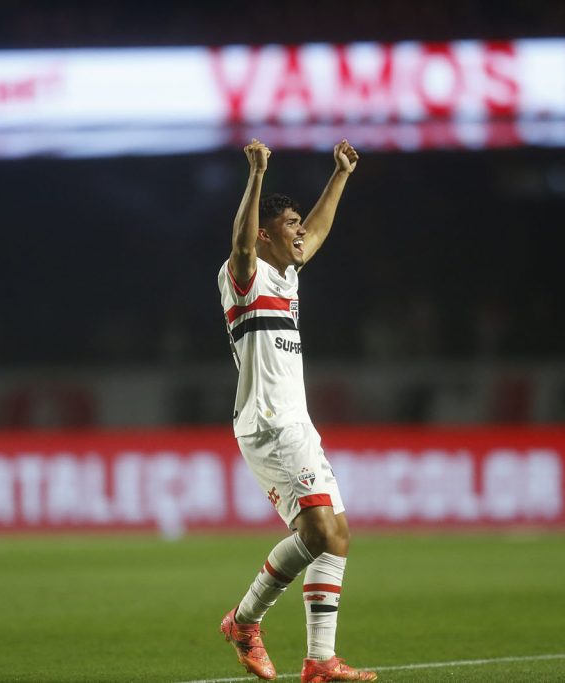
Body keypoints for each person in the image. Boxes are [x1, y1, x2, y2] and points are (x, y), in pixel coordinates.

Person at [217, 138, 376, 683]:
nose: (300, 230)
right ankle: (244, 623)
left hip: (296, 423)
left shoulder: (287, 279)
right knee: (315, 532)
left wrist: (341, 175)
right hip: (268, 423)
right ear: (266, 234)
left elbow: (321, 228)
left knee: (336, 535)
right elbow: (242, 244)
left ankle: (319, 660)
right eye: (290, 223)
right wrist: (257, 175)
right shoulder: (246, 276)